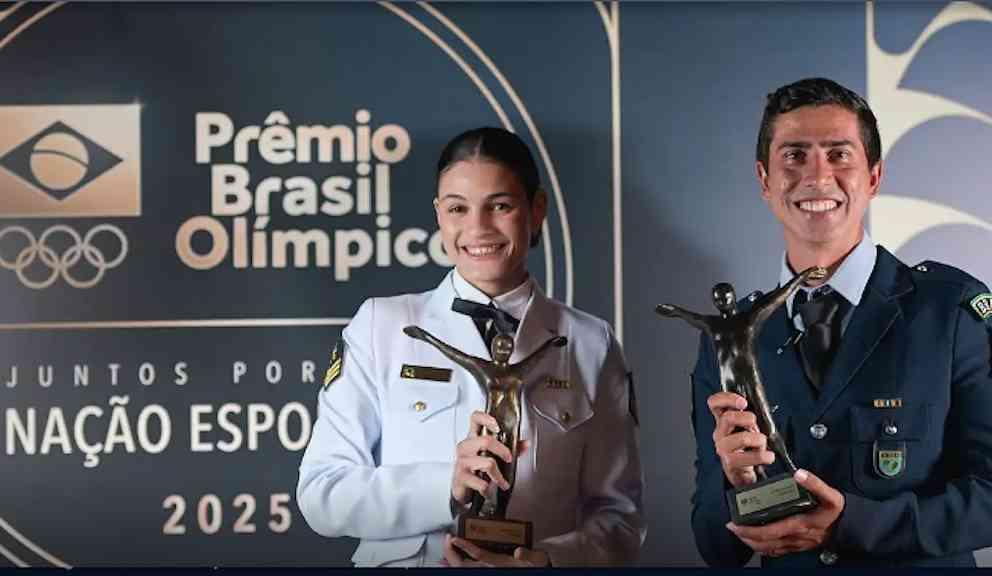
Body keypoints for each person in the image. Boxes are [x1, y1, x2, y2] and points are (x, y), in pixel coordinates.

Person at [298, 127, 644, 567]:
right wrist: (446, 484)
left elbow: (621, 520)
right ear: (439, 215)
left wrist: (549, 561)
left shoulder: (591, 343)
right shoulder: (380, 326)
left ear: (536, 210)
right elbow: (322, 493)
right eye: (458, 208)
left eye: (499, 206)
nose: (477, 228)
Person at [690, 77, 992, 567]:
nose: (816, 176)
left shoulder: (949, 312)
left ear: (873, 176)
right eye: (794, 156)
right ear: (764, 179)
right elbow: (713, 546)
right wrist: (734, 479)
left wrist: (850, 524)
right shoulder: (730, 339)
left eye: (838, 154)